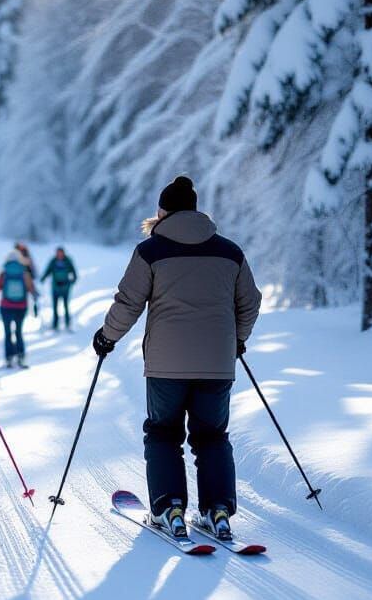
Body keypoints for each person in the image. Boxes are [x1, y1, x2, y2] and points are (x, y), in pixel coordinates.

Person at [92, 175, 262, 540]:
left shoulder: (151, 251)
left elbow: (129, 303)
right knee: (212, 436)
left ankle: (168, 507)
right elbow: (250, 302)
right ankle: (217, 511)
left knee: (163, 434)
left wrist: (108, 337)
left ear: (163, 212)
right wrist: (237, 340)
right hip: (217, 364)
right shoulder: (230, 252)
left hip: (167, 365)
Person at [0, 249, 36, 368]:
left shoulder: (4, 272)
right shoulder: (24, 272)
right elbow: (31, 287)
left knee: (8, 333)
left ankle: (9, 358)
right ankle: (21, 357)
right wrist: (35, 297)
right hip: (21, 306)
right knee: (19, 332)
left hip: (6, 306)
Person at [40, 246, 78, 330]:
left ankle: (68, 323)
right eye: (58, 253)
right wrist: (43, 278)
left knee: (66, 306)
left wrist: (73, 281)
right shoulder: (53, 261)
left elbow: (74, 272)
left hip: (65, 288)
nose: (59, 254)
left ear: (64, 253)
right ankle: (55, 324)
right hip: (55, 288)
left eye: (61, 253)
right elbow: (48, 270)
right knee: (55, 306)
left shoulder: (68, 261)